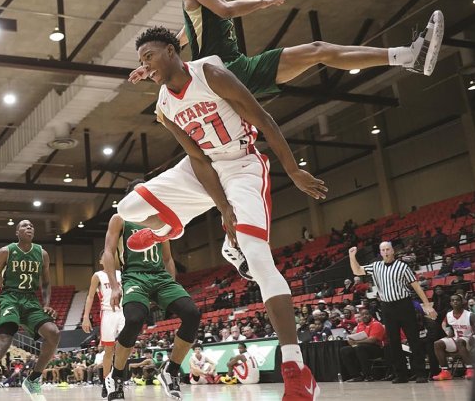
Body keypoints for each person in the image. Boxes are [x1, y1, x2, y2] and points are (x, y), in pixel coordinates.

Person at [115, 27, 327, 400]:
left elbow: (262, 118)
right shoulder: (164, 104)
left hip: (243, 165)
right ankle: (171, 228)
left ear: (170, 50)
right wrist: (224, 207)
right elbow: (196, 157)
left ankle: (297, 369)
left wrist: (292, 169)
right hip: (205, 168)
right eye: (140, 62)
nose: (144, 67)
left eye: (147, 57)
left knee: (259, 260)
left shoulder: (209, 73)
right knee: (127, 207)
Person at [132, 0, 444, 92]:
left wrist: (146, 68)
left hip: (233, 73)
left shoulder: (195, 9)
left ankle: (408, 56)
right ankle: (408, 56)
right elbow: (226, 10)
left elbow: (177, 41)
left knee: (319, 52)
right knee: (319, 50)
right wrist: (262, 2)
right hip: (228, 72)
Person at [101, 200, 201, 401]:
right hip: (134, 275)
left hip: (160, 278)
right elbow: (108, 252)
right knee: (135, 318)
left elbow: (167, 258)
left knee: (192, 314)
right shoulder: (120, 218)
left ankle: (170, 370)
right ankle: (117, 376)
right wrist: (114, 286)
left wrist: (171, 288)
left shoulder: (162, 218)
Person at [0, 220, 60, 401]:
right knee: (4, 343)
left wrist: (46, 303)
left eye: (31, 225)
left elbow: (46, 282)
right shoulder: (6, 251)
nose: (29, 227)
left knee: (53, 332)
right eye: (24, 226)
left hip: (31, 300)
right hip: (10, 298)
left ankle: (33, 379)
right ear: (17, 232)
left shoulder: (42, 254)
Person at [350, 242, 437, 383]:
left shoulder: (403, 266)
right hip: (387, 306)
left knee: (413, 338)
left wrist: (427, 304)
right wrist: (352, 256)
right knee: (393, 341)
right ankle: (401, 374)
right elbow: (357, 270)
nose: (385, 252)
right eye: (383, 250)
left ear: (393, 251)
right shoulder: (376, 266)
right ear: (380, 252)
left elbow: (416, 286)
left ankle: (420, 372)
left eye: (388, 249)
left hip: (404, 304)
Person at [81, 252, 124, 398]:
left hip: (123, 313)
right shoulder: (97, 275)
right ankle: (106, 382)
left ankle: (119, 382)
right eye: (105, 256)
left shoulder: (121, 274)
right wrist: (86, 317)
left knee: (124, 350)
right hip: (108, 314)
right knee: (109, 351)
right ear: (101, 261)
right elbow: (90, 296)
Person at [432, 294, 475, 381]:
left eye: (457, 300)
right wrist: (449, 334)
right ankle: (445, 372)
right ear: (450, 303)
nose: (455, 302)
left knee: (460, 341)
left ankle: (470, 369)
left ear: (463, 302)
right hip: (457, 340)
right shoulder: (449, 315)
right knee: (437, 343)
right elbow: (449, 327)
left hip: (470, 340)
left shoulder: (470, 315)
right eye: (453, 300)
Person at [339, 309, 386, 382]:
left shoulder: (376, 324)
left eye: (366, 314)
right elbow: (357, 337)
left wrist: (356, 342)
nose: (364, 316)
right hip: (362, 347)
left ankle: (368, 375)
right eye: (362, 315)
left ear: (370, 315)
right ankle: (356, 375)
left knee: (360, 348)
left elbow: (372, 340)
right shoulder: (360, 325)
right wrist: (351, 340)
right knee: (344, 350)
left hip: (377, 349)